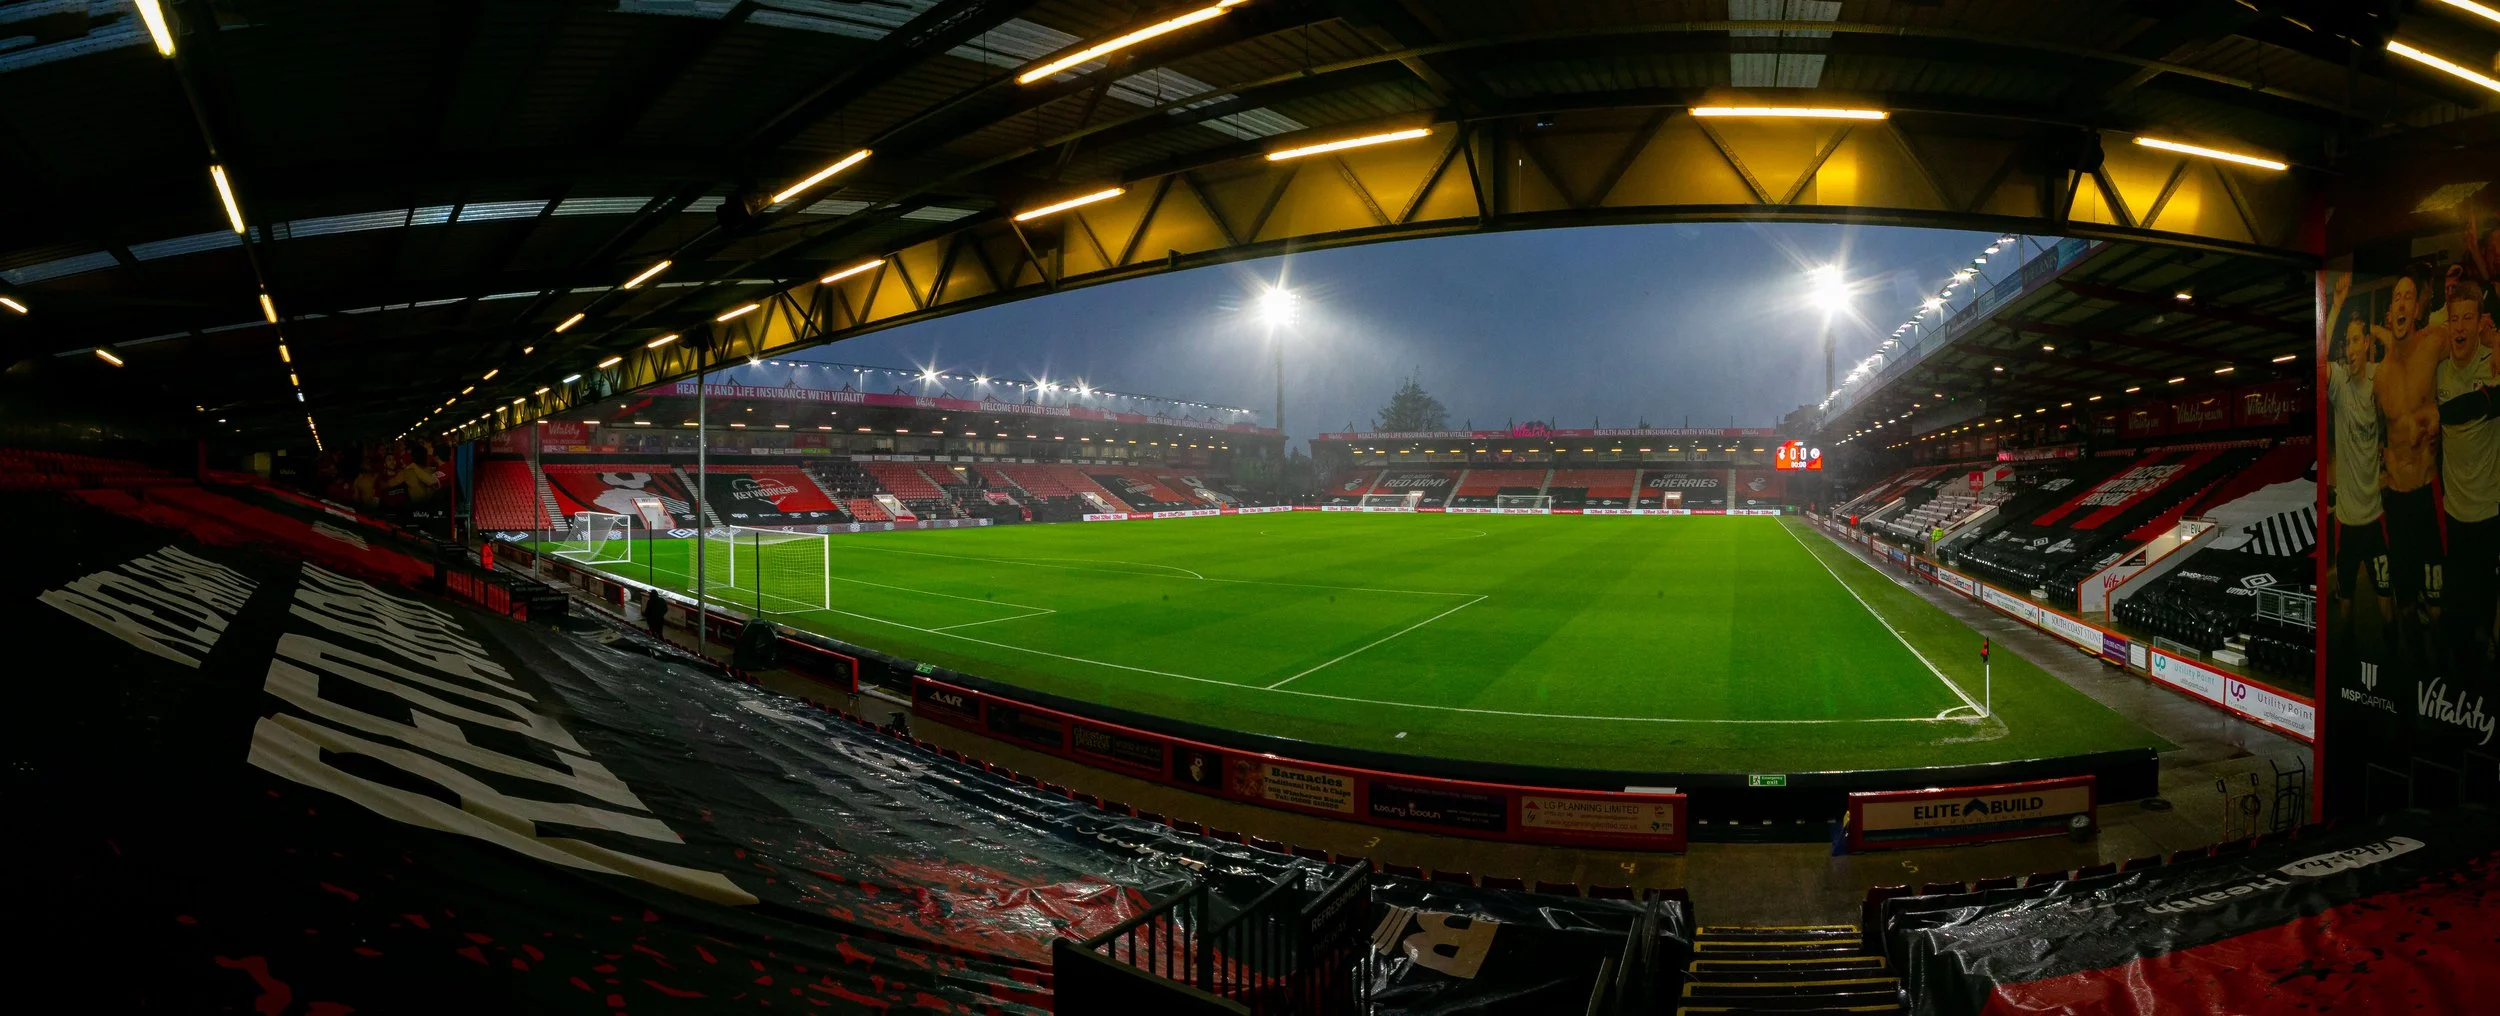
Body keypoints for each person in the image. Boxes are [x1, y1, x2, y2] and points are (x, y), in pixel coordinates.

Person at [2374, 272, 2446, 664]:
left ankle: (2443, 674)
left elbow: (2473, 354)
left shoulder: (2434, 345)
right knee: (2404, 604)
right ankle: (2419, 673)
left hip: (2427, 495)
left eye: (2409, 297)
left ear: (2418, 309)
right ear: (2391, 312)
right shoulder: (2380, 376)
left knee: (2436, 605)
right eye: (2397, 297)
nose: (2402, 303)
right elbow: (2375, 435)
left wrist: (2439, 412)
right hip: (2396, 504)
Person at [2436, 293, 2498, 676]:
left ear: (2479, 324)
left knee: (2486, 596)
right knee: (2456, 601)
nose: (2459, 326)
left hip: (2490, 507)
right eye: (2453, 319)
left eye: (2467, 318)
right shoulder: (2439, 372)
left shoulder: (2493, 365)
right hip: (2453, 510)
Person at [2327, 275, 2392, 638]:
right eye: (2347, 342)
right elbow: (2319, 353)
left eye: (2356, 341)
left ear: (2367, 344)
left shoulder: (2379, 379)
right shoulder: (2337, 381)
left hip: (2376, 517)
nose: (2350, 349)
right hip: (2347, 523)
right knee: (2346, 604)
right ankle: (2347, 660)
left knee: (2386, 599)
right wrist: (2335, 305)